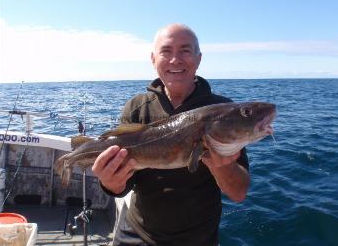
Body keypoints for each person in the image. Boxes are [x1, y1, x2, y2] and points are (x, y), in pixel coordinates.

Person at [92, 23, 250, 246]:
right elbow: (123, 186)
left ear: (198, 59)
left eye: (185, 51)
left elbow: (239, 193)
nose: (175, 60)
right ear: (153, 59)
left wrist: (222, 166)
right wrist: (110, 183)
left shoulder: (223, 111)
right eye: (166, 51)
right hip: (136, 234)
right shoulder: (136, 108)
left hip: (198, 240)